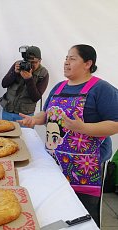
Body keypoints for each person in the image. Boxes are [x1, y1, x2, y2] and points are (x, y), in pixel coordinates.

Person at [18, 44, 118, 227]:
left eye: (72, 58)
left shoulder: (101, 89)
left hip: (86, 169)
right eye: (66, 58)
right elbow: (47, 114)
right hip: (55, 164)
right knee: (58, 212)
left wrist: (83, 128)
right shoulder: (59, 87)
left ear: (88, 63)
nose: (66, 62)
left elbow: (115, 124)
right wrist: (34, 120)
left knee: (84, 217)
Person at [0, 45, 49, 123]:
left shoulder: (43, 73)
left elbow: (36, 97)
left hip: (25, 115)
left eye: (34, 62)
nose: (30, 65)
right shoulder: (19, 65)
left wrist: (29, 79)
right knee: (6, 134)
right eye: (28, 62)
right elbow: (4, 84)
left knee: (25, 135)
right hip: (8, 110)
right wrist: (14, 73)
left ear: (40, 61)